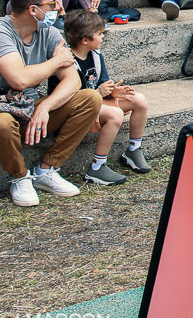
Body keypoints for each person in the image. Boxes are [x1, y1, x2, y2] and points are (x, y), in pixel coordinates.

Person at [0, 0, 103, 207]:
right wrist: (56, 61)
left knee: (90, 98)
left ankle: (47, 169)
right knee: (2, 123)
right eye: (51, 4)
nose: (58, 8)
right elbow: (19, 79)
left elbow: (73, 81)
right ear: (33, 10)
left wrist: (45, 106)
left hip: (25, 108)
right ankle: (20, 177)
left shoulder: (49, 33)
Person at [54, 10, 151, 186]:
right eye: (99, 34)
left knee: (139, 100)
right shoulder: (67, 61)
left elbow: (102, 83)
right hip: (76, 109)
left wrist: (113, 92)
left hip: (97, 100)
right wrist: (99, 93)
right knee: (115, 115)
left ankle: (134, 150)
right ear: (85, 40)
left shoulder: (95, 55)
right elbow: (72, 98)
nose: (103, 37)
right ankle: (97, 166)